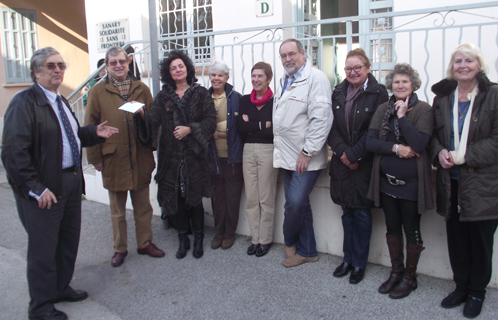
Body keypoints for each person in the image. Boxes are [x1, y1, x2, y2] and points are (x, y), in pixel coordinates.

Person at [1, 47, 118, 320]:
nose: (58, 70)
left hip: (70, 182)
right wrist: (35, 187)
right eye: (51, 66)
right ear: (36, 71)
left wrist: (93, 133)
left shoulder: (60, 100)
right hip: (44, 189)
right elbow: (13, 153)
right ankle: (41, 307)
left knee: (67, 241)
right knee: (43, 250)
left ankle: (60, 287)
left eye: (61, 66)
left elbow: (70, 137)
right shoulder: (24, 103)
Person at [430, 43, 498, 319]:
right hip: (451, 182)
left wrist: (461, 156)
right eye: (458, 61)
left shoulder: (493, 95)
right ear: (452, 67)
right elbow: (433, 136)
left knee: (480, 242)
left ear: (479, 65)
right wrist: (439, 153)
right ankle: (460, 287)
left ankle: (476, 292)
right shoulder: (444, 99)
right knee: (456, 239)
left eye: (469, 60)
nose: (463, 65)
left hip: (483, 183)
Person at [85, 46, 165, 267]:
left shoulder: (142, 88)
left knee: (143, 207)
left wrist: (143, 117)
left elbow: (155, 120)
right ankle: (120, 249)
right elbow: (90, 127)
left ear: (129, 62)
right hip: (114, 158)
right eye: (113, 63)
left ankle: (144, 243)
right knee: (117, 211)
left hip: (139, 157)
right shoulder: (97, 92)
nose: (118, 66)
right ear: (107, 65)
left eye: (122, 61)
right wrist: (95, 159)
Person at [135, 50, 216, 259]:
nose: (178, 70)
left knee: (195, 198)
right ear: (168, 73)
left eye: (180, 66)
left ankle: (198, 238)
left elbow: (210, 121)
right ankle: (183, 239)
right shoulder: (163, 97)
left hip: (194, 156)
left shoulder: (201, 94)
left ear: (187, 68)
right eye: (173, 68)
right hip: (171, 157)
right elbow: (153, 120)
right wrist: (142, 114)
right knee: (177, 199)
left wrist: (190, 129)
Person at [366, 63, 433, 299]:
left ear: (413, 85)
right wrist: (395, 148)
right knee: (392, 228)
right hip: (386, 183)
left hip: (412, 187)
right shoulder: (384, 107)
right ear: (390, 86)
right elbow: (371, 142)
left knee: (411, 230)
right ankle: (396, 272)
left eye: (405, 81)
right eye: (396, 82)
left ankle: (409, 277)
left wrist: (403, 117)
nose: (400, 85)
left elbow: (419, 144)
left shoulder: (424, 110)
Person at [328, 48, 388, 284]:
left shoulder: (379, 93)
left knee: (362, 214)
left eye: (357, 68)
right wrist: (343, 153)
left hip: (364, 163)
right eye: (348, 68)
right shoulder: (338, 92)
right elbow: (330, 127)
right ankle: (347, 259)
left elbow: (376, 129)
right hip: (343, 163)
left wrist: (354, 155)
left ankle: (359, 264)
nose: (352, 72)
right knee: (346, 213)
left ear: (367, 68)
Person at [273, 39, 333, 267]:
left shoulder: (316, 78)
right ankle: (308, 251)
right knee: (301, 204)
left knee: (295, 204)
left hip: (304, 157)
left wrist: (307, 152)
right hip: (286, 155)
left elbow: (322, 118)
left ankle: (289, 241)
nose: (287, 59)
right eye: (283, 55)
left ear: (303, 53)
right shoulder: (285, 80)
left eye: (291, 54)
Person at [238, 62, 278, 257]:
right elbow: (241, 127)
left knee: (266, 197)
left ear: (268, 79)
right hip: (248, 150)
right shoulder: (245, 100)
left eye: (260, 76)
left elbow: (275, 130)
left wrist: (253, 124)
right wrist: (263, 124)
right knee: (252, 197)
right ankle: (255, 238)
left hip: (268, 150)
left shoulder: (276, 101)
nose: (256, 79)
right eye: (253, 76)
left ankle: (265, 239)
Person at [208, 60, 244, 250]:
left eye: (220, 75)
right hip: (212, 158)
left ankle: (230, 233)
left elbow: (239, 129)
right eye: (213, 75)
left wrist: (218, 130)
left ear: (227, 78)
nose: (216, 78)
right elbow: (201, 126)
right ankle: (219, 232)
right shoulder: (204, 98)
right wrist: (221, 129)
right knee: (217, 198)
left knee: (232, 197)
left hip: (232, 157)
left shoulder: (236, 98)